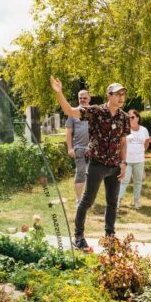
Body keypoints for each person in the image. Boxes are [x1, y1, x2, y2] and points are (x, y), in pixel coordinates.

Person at [50, 77, 129, 250]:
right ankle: (78, 237)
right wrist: (59, 92)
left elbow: (123, 142)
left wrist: (123, 163)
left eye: (123, 94)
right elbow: (70, 110)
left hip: (114, 165)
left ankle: (109, 237)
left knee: (112, 203)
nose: (121, 98)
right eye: (117, 94)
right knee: (86, 201)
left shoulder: (124, 117)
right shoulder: (96, 111)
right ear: (109, 95)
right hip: (97, 164)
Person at [117, 110, 150, 209]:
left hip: (139, 160)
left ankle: (136, 201)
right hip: (127, 160)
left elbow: (147, 143)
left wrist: (139, 152)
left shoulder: (144, 130)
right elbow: (121, 144)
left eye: (132, 117)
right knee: (124, 181)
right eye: (128, 117)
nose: (130, 119)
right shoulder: (124, 129)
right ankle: (118, 201)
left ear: (138, 118)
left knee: (138, 181)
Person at [65, 89, 91, 206]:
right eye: (80, 98)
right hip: (79, 148)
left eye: (85, 98)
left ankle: (88, 199)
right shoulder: (73, 113)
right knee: (80, 172)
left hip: (93, 149)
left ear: (89, 98)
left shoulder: (94, 112)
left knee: (92, 174)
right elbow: (68, 132)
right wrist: (70, 148)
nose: (82, 100)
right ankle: (79, 200)